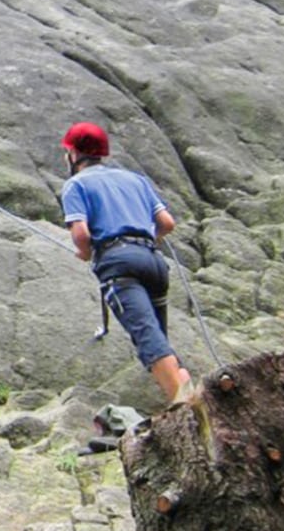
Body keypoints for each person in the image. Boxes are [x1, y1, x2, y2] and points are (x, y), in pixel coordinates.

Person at [57, 121, 193, 405]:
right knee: (157, 337)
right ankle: (186, 388)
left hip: (118, 263)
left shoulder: (76, 184)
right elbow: (166, 223)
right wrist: (144, 243)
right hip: (153, 262)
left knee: (147, 338)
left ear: (73, 153)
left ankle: (184, 407)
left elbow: (81, 233)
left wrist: (84, 253)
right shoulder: (134, 179)